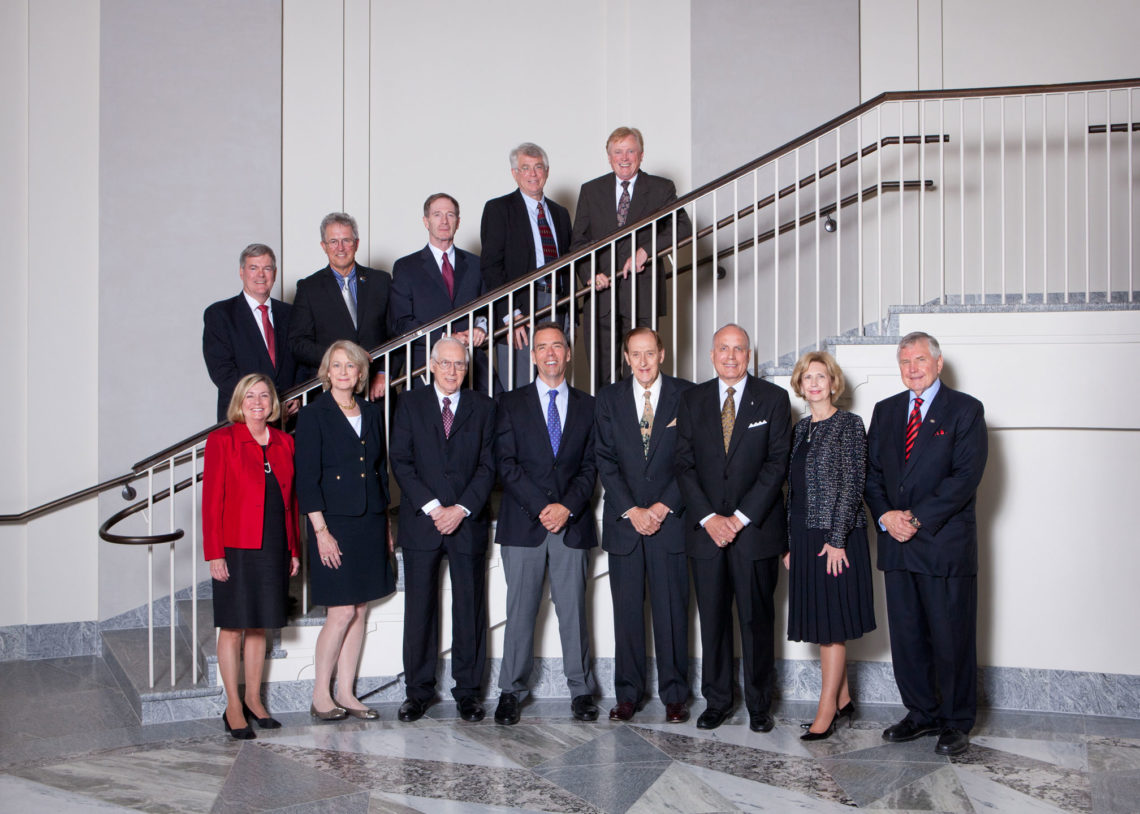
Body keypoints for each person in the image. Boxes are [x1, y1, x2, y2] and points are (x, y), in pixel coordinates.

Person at [865, 331, 987, 757]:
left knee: (950, 635)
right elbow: (872, 475)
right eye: (904, 362)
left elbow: (964, 479)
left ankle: (955, 720)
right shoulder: (885, 411)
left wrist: (915, 519)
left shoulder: (965, 410)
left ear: (938, 363)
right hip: (896, 545)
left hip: (943, 545)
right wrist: (885, 516)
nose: (912, 368)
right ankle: (921, 712)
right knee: (908, 636)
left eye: (919, 359)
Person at [675, 323, 792, 732]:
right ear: (711, 355)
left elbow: (777, 465)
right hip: (706, 533)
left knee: (757, 621)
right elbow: (684, 465)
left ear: (749, 355)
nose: (730, 356)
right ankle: (718, 700)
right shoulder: (691, 401)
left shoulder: (775, 400)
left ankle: (760, 704)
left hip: (755, 532)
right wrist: (710, 518)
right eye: (723, 349)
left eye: (738, 349)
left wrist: (739, 518)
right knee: (713, 619)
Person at [492, 321, 599, 725]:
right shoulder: (510, 403)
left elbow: (591, 467)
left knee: (573, 610)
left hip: (572, 523)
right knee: (520, 610)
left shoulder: (590, 406)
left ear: (568, 353)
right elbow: (506, 463)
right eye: (542, 347)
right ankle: (510, 691)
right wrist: (543, 507)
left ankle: (582, 691)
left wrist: (566, 507)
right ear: (532, 355)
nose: (550, 353)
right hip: (524, 523)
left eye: (558, 346)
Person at [389, 337, 496, 723]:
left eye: (460, 365)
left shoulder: (484, 408)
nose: (453, 372)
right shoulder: (409, 404)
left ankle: (468, 692)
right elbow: (400, 461)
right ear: (431, 365)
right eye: (446, 364)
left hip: (467, 522)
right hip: (423, 522)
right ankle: (417, 692)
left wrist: (462, 508)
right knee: (419, 609)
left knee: (469, 608)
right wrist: (435, 508)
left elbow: (489, 465)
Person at [595, 327, 693, 723]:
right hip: (625, 526)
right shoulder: (608, 398)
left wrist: (662, 506)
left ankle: (674, 695)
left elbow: (691, 459)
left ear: (662, 354)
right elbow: (604, 459)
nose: (642, 362)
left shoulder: (686, 395)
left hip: (670, 523)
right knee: (628, 615)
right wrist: (633, 510)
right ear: (626, 357)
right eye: (635, 354)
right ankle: (628, 695)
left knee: (672, 613)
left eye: (649, 353)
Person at [295, 340, 396, 721]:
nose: (342, 371)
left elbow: (378, 471)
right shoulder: (314, 414)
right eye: (335, 365)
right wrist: (320, 532)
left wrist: (385, 523)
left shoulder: (371, 412)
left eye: (349, 366)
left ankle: (347, 692)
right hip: (333, 523)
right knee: (339, 612)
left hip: (369, 520)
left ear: (359, 374)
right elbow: (307, 479)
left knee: (359, 610)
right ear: (327, 370)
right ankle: (321, 694)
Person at [782, 351, 876, 741]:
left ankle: (826, 711)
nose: (815, 383)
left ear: (833, 383)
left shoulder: (850, 425)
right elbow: (793, 491)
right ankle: (843, 699)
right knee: (822, 620)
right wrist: (789, 544)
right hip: (804, 536)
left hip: (836, 538)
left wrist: (837, 541)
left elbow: (854, 486)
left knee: (830, 628)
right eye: (808, 377)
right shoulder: (800, 430)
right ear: (800, 385)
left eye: (822, 376)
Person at [202, 374, 300, 739]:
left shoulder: (285, 442)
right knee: (232, 626)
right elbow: (211, 502)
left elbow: (290, 503)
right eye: (250, 396)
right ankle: (232, 705)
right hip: (235, 545)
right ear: (239, 402)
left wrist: (293, 549)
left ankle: (255, 700)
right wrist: (215, 553)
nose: (258, 402)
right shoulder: (222, 440)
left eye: (264, 395)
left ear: (273, 402)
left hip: (274, 544)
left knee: (260, 625)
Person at [570, 126, 691, 385]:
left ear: (641, 155)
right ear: (609, 156)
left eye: (630, 151)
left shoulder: (661, 188)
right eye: (618, 152)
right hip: (601, 295)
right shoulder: (591, 191)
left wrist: (647, 251)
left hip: (642, 294)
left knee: (641, 372)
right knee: (602, 376)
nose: (624, 158)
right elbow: (578, 242)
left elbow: (683, 227)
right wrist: (590, 275)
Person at [480, 142, 573, 392]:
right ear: (515, 173)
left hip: (558, 304)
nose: (533, 174)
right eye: (525, 168)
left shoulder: (560, 213)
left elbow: (571, 265)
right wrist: (510, 314)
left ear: (547, 171)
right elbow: (491, 267)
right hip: (519, 309)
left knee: (556, 382)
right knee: (520, 388)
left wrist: (571, 313)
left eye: (538, 167)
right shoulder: (499, 209)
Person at [389, 194, 488, 390]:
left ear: (458, 222)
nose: (444, 221)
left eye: (450, 215)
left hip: (471, 366)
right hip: (425, 364)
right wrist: (447, 337)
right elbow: (401, 323)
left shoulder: (476, 264)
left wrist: (481, 328)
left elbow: (487, 308)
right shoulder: (406, 267)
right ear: (426, 221)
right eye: (437, 215)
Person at [289, 212, 391, 398]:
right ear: (324, 246)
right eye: (333, 242)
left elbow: (396, 333)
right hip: (329, 391)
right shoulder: (309, 288)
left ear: (357, 244)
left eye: (346, 240)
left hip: (376, 391)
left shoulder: (380, 281)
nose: (340, 248)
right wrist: (337, 358)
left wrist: (383, 373)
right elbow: (298, 343)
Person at [202, 244, 298, 422]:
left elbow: (303, 359)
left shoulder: (291, 314)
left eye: (267, 268)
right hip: (241, 418)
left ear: (274, 274)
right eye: (253, 268)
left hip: (288, 421)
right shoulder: (220, 314)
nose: (260, 275)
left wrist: (298, 394)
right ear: (241, 272)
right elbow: (222, 371)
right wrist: (265, 401)